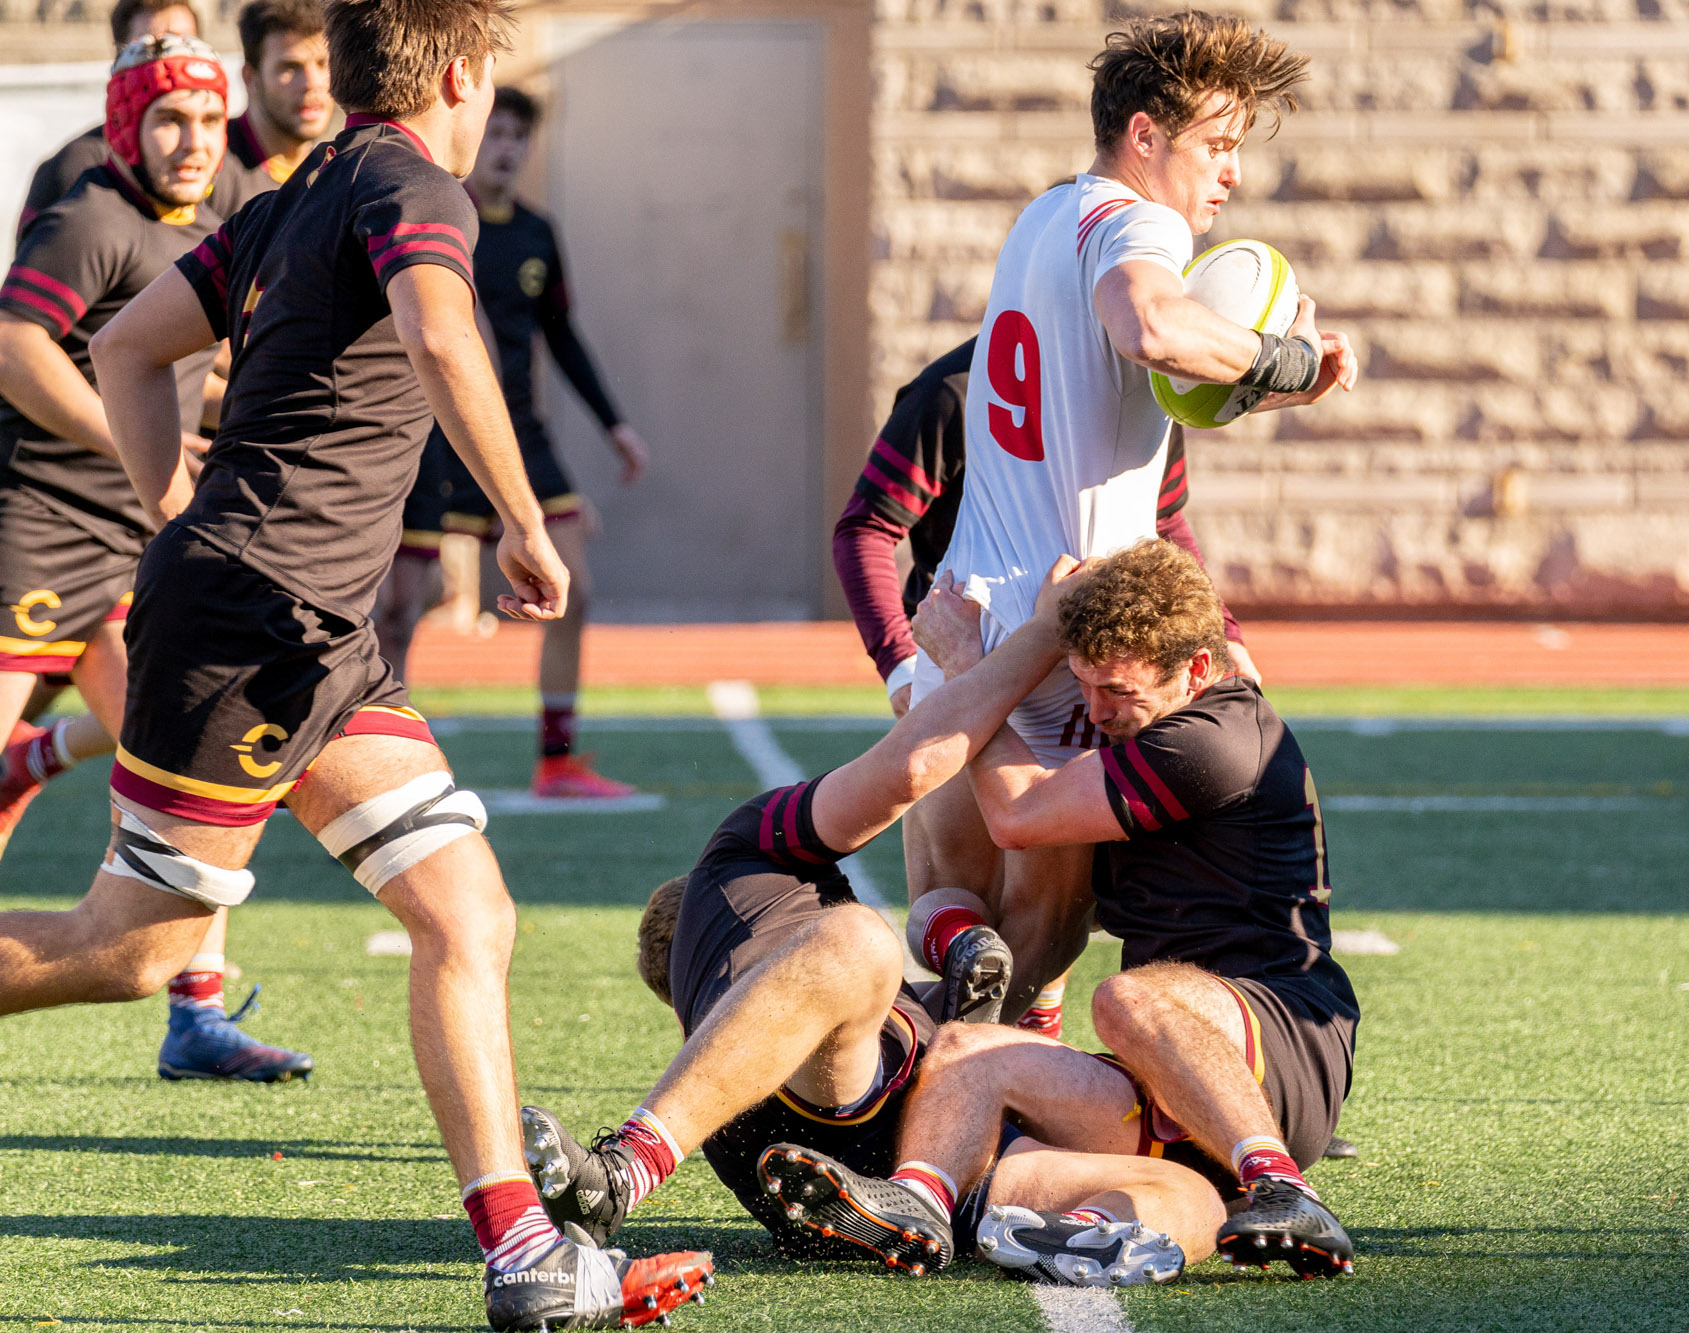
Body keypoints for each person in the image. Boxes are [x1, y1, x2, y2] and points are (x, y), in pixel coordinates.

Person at [10, 1, 707, 1324]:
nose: (492, 105)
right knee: (132, 953)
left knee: (467, 912)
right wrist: (517, 520)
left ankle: (524, 1260)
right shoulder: (407, 180)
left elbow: (125, 346)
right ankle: (524, 1254)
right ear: (457, 73)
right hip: (256, 627)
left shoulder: (303, 185)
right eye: (492, 81)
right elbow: (444, 335)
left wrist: (171, 508)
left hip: (311, 637)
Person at [520, 560, 1225, 1287]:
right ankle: (625, 1168)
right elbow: (909, 768)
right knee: (862, 940)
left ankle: (1053, 1234)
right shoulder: (741, 859)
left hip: (905, 1160)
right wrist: (1036, 633)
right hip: (822, 1104)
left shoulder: (795, 996)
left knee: (1189, 1196)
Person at [896, 12, 1357, 1040]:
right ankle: (1005, 1101)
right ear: (1144, 136)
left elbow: (1133, 384)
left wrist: (1261, 390)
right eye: (1215, 145)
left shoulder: (1038, 217)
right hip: (1074, 629)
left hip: (961, 611)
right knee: (1056, 921)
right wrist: (1290, 365)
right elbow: (1148, 325)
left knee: (946, 897)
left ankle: (907, 1083)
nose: (1228, 175)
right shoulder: (1138, 221)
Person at [769, 540, 1360, 1279]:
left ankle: (1284, 1186)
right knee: (962, 1054)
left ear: (1198, 669)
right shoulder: (1154, 724)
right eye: (1082, 683)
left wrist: (965, 666)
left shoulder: (1216, 737)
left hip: (1283, 1041)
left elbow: (1019, 815)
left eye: (1118, 690)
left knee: (1122, 997)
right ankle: (917, 1206)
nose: (1095, 711)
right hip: (1169, 1068)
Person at [0, 34, 311, 1085]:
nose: (189, 141)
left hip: (134, 539)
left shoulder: (217, 207)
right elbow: (15, 345)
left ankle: (197, 1013)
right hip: (34, 532)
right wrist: (128, 440)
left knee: (186, 762)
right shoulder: (90, 214)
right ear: (126, 122)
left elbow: (187, 362)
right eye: (165, 119)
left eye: (202, 117)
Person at [836, 336, 1258, 1039]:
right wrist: (904, 665)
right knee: (972, 886)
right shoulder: (956, 391)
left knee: (1048, 914)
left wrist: (1224, 634)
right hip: (983, 649)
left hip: (1091, 666)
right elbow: (868, 526)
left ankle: (1000, 1060)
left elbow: (1166, 518)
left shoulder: (1141, 383)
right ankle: (995, 1062)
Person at [378, 86, 649, 800]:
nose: (504, 148)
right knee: (400, 603)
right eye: (494, 132)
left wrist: (614, 424)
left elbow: (561, 334)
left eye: (517, 138)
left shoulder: (537, 233)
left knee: (575, 587)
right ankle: (372, 761)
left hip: (518, 431)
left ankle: (556, 758)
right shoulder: (441, 221)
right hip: (435, 434)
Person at [15, 0, 202, 241]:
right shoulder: (72, 168)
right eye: (151, 49)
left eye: (185, 44)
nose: (170, 65)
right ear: (119, 60)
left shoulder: (222, 166)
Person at [207, 0, 334, 217]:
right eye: (290, 67)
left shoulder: (339, 171)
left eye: (323, 64)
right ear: (250, 77)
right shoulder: (208, 167)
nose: (311, 83)